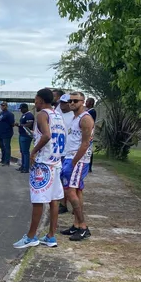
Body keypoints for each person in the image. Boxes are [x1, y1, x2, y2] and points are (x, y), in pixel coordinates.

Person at [13, 89, 67, 249]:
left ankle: (31, 237)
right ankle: (51, 236)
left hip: (43, 163)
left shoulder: (42, 114)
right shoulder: (58, 115)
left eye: (35, 100)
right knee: (54, 200)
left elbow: (47, 135)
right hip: (56, 162)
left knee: (38, 200)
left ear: (41, 100)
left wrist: (33, 151)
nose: (34, 103)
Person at [60, 92, 95, 241]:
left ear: (83, 102)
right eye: (70, 101)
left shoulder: (85, 118)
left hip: (77, 160)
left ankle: (83, 226)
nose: (72, 103)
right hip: (70, 156)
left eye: (75, 100)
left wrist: (74, 162)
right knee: (76, 191)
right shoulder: (75, 117)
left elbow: (86, 143)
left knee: (70, 192)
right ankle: (76, 224)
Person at [54, 92, 74, 213]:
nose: (62, 105)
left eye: (65, 103)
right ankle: (62, 203)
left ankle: (70, 204)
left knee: (67, 180)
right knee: (59, 179)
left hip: (68, 152)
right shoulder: (57, 112)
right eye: (61, 102)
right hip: (58, 151)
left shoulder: (73, 116)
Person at [16, 103, 35, 173]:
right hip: (22, 135)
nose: (20, 110)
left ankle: (26, 168)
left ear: (25, 108)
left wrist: (20, 125)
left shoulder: (29, 115)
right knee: (22, 151)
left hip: (26, 135)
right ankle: (23, 166)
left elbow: (29, 124)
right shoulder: (24, 115)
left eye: (21, 109)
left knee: (25, 152)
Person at [86, 97, 97, 173]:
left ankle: (89, 166)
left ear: (91, 103)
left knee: (89, 149)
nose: (85, 103)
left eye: (87, 101)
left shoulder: (92, 111)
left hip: (89, 131)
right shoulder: (88, 111)